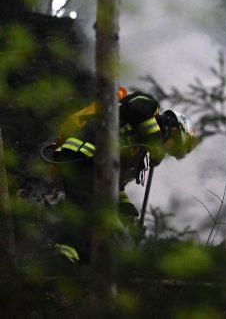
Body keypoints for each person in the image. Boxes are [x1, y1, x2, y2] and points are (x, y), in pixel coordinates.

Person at [47, 89, 197, 263]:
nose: (167, 152)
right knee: (87, 209)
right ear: (174, 130)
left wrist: (128, 215)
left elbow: (115, 186)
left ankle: (80, 261)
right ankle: (63, 254)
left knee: (102, 224)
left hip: (94, 165)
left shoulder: (139, 154)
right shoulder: (149, 106)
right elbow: (136, 107)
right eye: (173, 147)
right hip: (85, 154)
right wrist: (155, 141)